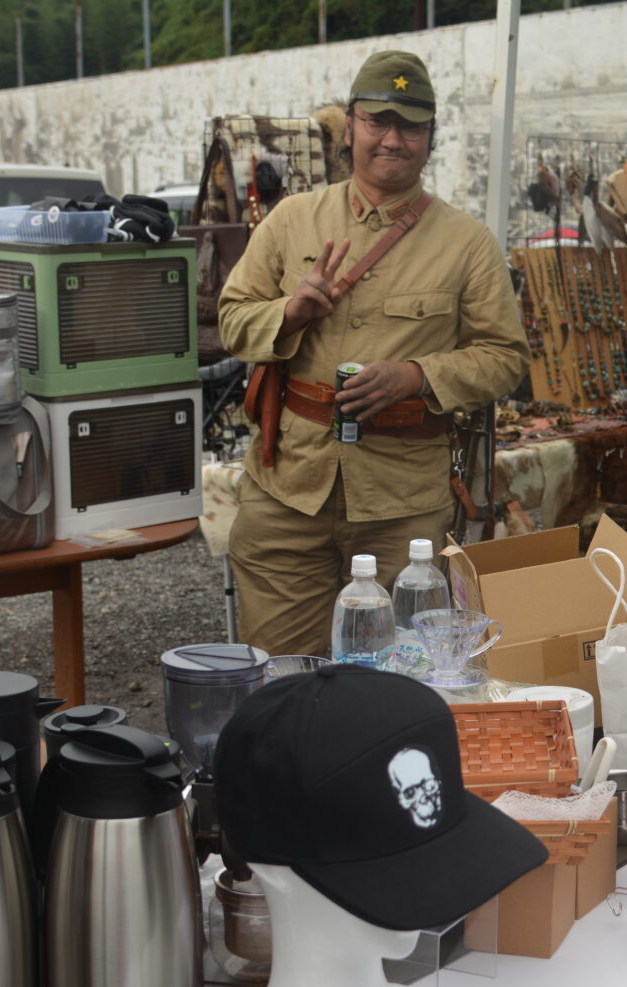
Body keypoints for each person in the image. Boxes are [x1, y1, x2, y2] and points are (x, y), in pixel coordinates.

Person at [218, 50, 528, 657]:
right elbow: (231, 320)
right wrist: (289, 313)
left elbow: (505, 357)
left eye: (410, 126)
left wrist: (418, 375)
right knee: (281, 669)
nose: (392, 139)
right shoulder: (292, 220)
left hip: (404, 505)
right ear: (350, 127)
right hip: (288, 492)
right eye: (377, 121)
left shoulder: (467, 244)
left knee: (398, 673)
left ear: (431, 138)